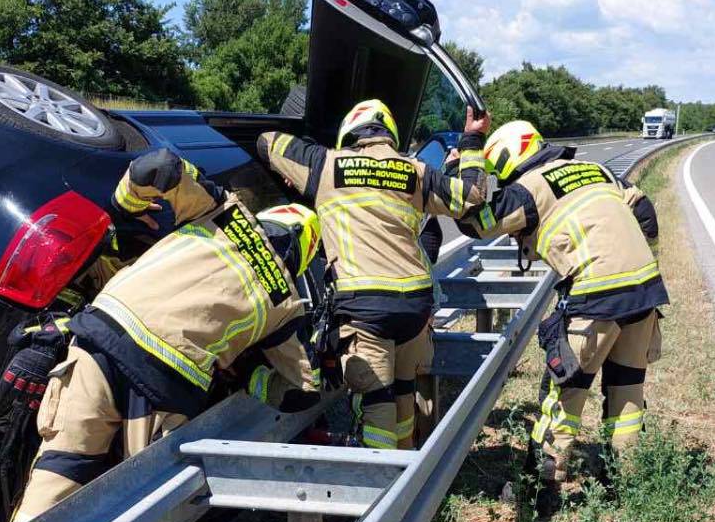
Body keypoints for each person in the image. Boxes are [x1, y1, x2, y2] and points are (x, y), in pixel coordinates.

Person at [9, 148, 321, 522]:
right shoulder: (283, 302)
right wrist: (248, 376)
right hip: (160, 383)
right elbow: (299, 393)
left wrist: (124, 201)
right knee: (144, 515)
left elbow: (161, 169)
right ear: (303, 256)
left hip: (97, 334)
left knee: (55, 477)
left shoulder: (227, 212)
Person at [256, 100, 487, 451]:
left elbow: (267, 142)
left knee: (377, 401)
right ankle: (409, 460)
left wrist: (307, 162)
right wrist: (471, 142)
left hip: (365, 309)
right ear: (389, 136)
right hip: (415, 306)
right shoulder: (415, 170)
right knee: (404, 389)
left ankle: (382, 488)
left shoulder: (326, 164)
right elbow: (470, 197)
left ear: (349, 134)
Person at [464, 119, 667, 485]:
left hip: (596, 297)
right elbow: (646, 216)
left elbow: (477, 221)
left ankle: (540, 489)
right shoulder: (598, 170)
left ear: (509, 161)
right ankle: (624, 482)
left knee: (562, 395)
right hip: (645, 289)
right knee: (626, 388)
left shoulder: (530, 187)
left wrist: (463, 159)